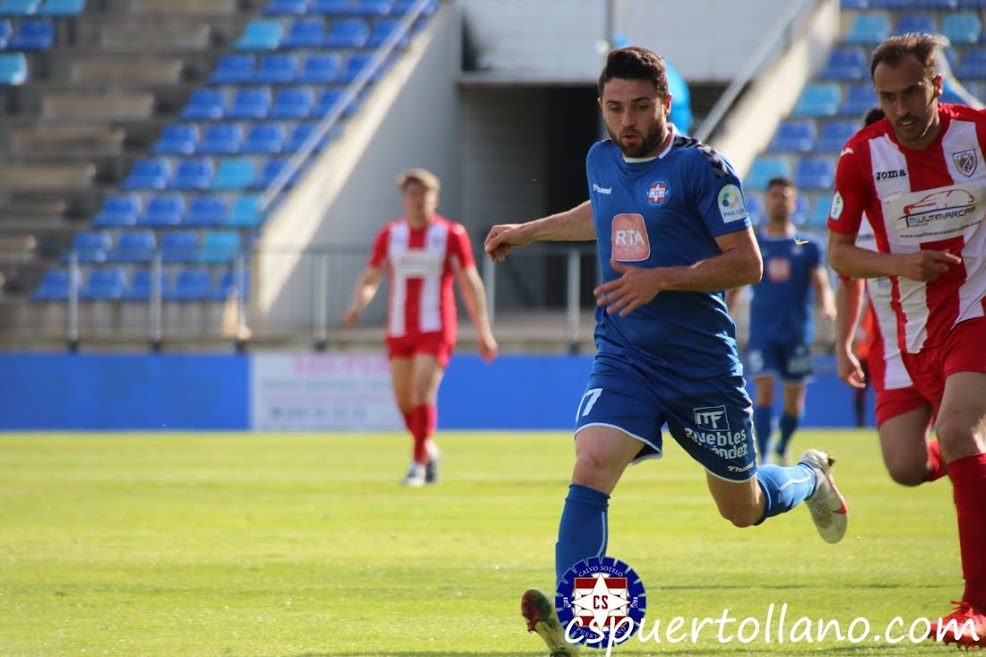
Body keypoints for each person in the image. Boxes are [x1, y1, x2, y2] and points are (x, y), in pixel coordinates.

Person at [485, 46, 848, 657]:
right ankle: (582, 628)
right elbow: (600, 210)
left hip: (702, 365)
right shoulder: (602, 156)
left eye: (639, 107)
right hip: (626, 354)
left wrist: (660, 277)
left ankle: (808, 480)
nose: (626, 121)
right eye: (615, 108)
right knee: (592, 464)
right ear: (601, 107)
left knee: (740, 506)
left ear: (665, 104)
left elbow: (747, 263)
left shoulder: (703, 170)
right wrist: (528, 231)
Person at [827, 33, 986, 647]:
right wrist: (902, 266)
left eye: (911, 93)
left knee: (953, 432)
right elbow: (840, 255)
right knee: (905, 467)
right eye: (886, 97)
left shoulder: (977, 134)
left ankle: (977, 604)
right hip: (903, 339)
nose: (901, 109)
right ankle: (974, 454)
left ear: (936, 85)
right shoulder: (860, 157)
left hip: (975, 314)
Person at [345, 168, 498, 486]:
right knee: (404, 402)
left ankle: (417, 465)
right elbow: (372, 277)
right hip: (400, 328)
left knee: (421, 390)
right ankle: (428, 449)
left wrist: (484, 331)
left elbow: (470, 282)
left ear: (435, 199)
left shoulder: (451, 234)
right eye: (412, 195)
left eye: (423, 196)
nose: (418, 202)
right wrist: (359, 302)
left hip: (436, 326)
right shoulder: (390, 235)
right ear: (405, 200)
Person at [835, 105, 947, 485]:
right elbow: (848, 279)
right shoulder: (855, 216)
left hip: (950, 339)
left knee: (960, 434)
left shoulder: (938, 202)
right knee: (906, 467)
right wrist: (843, 346)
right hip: (895, 352)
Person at [725, 176, 835, 466]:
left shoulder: (807, 245)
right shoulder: (755, 243)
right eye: (774, 195)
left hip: (797, 334)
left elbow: (821, 283)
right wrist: (723, 313)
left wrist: (828, 305)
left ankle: (782, 444)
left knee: (794, 403)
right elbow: (736, 285)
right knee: (763, 390)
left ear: (794, 201)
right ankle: (762, 457)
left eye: (785, 195)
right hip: (763, 331)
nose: (779, 200)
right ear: (765, 200)